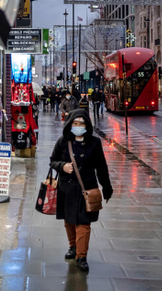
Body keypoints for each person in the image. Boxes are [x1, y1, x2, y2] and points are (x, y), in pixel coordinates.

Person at [50, 110, 113, 272]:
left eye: (82, 124)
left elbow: (101, 167)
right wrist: (62, 166)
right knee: (69, 221)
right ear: (70, 124)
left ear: (87, 125)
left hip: (87, 188)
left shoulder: (95, 142)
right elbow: (53, 161)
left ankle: (81, 256)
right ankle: (73, 247)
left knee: (83, 223)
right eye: (75, 124)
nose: (78, 127)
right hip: (67, 188)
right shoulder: (63, 141)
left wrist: (107, 187)